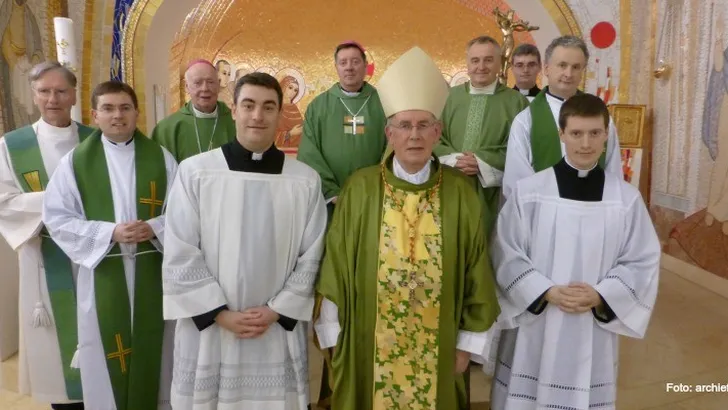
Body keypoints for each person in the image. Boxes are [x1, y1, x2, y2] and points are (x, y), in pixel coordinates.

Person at [315, 46, 500, 410]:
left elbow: (476, 268)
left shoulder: (460, 192)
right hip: (368, 344)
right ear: (389, 133)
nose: (414, 135)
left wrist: (467, 345)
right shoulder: (361, 188)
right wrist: (335, 337)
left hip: (441, 346)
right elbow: (337, 264)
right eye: (404, 125)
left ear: (438, 132)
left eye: (423, 125)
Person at [162, 72, 327, 410]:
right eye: (249, 105)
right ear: (234, 110)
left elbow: (313, 254)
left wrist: (276, 310)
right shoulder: (196, 172)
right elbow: (180, 248)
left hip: (275, 328)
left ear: (280, 114)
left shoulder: (304, 180)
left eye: (268, 107)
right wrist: (218, 313)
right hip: (212, 329)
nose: (257, 116)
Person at [490, 94, 660, 410]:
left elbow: (642, 260)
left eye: (594, 133)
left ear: (607, 135)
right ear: (562, 134)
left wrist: (602, 294)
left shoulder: (625, 199)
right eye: (576, 133)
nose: (585, 143)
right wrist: (545, 291)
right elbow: (505, 252)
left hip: (592, 324)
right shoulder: (529, 193)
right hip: (538, 319)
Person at [42, 81, 177, 410]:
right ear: (94, 115)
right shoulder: (76, 162)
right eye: (108, 108)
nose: (118, 115)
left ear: (136, 113)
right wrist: (110, 233)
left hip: (153, 272)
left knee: (157, 353)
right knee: (105, 353)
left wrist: (154, 227)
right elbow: (56, 218)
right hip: (104, 272)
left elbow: (184, 213)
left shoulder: (161, 158)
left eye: (125, 108)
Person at [0, 62, 92, 410]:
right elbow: (4, 202)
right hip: (44, 255)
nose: (53, 99)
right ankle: (63, 403)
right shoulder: (13, 146)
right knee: (53, 344)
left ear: (74, 95)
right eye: (44, 91)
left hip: (92, 254)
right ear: (34, 95)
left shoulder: (94, 140)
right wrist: (59, 201)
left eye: (61, 91)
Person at [503, 35, 622, 199]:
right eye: (562, 65)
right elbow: (516, 181)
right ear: (546, 69)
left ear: (583, 72)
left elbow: (613, 170)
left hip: (595, 206)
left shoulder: (600, 117)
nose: (568, 73)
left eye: (576, 67)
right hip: (544, 208)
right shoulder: (526, 120)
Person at [434, 36, 528, 235]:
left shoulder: (517, 102)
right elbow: (432, 138)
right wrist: (456, 160)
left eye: (488, 60)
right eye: (475, 60)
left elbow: (521, 150)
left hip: (493, 195)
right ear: (467, 64)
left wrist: (481, 162)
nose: (481, 67)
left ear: (499, 63)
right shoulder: (447, 97)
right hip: (448, 185)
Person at [297, 41, 387, 218]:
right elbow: (309, 152)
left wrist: (378, 186)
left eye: (355, 61)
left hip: (375, 197)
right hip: (330, 203)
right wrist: (331, 192)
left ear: (365, 66)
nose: (349, 68)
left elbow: (393, 147)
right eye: (343, 62)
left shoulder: (384, 103)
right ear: (336, 67)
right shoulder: (318, 106)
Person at [151, 59, 236, 163]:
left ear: (218, 84)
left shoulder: (236, 123)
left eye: (210, 82)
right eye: (197, 83)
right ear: (187, 86)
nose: (205, 88)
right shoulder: (166, 129)